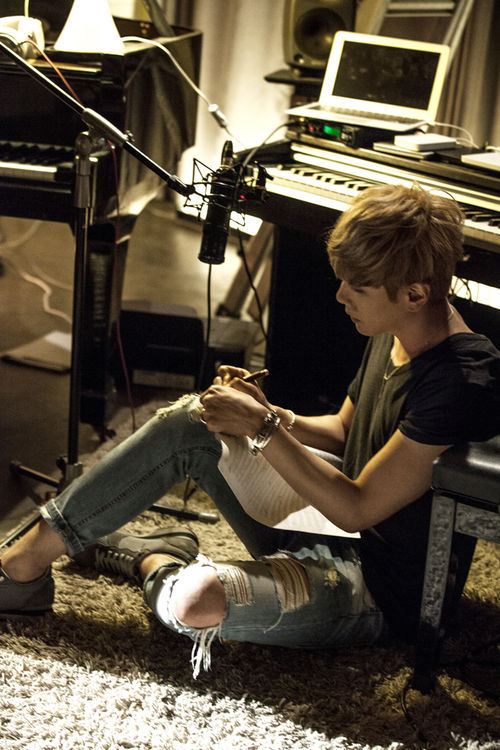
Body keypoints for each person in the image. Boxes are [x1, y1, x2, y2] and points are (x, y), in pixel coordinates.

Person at [1, 183, 499, 678]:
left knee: (195, 601)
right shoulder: (396, 324)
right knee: (194, 418)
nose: (341, 295)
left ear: (414, 294)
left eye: (357, 287)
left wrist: (262, 427)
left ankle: (148, 558)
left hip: (380, 589)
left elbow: (359, 508)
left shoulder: (462, 380)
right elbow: (345, 431)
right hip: (327, 525)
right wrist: (268, 412)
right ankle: (20, 567)